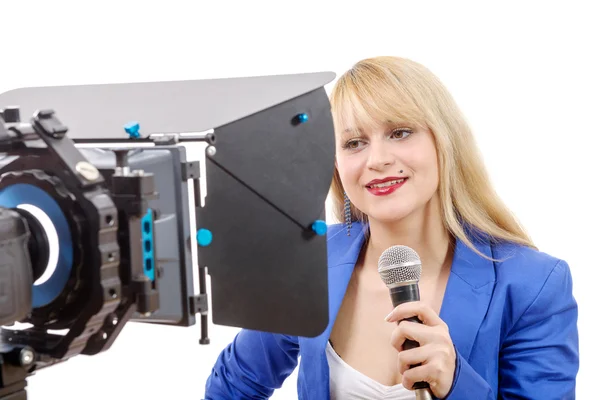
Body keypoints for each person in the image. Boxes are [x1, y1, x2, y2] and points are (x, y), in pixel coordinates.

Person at [203, 56, 579, 399]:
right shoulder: (307, 264)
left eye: (399, 132)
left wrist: (455, 385)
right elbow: (232, 386)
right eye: (354, 143)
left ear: (444, 141)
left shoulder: (534, 284)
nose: (377, 159)